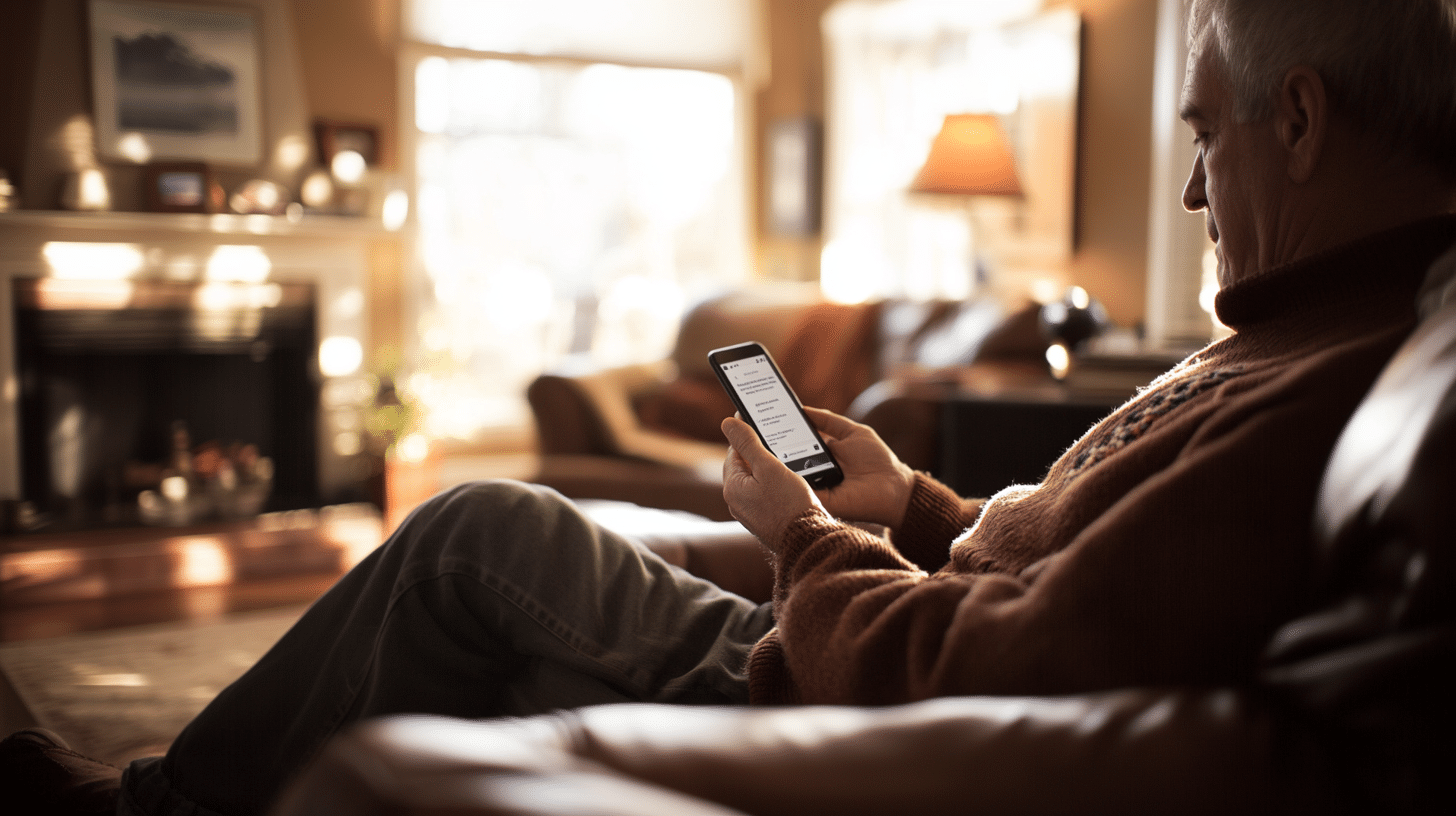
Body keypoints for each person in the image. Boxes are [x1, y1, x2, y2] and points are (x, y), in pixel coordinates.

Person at [6, 0, 1456, 813]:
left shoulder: (1320, 387)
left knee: (476, 532)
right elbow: (1071, 575)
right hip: (850, 625)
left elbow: (1015, 664)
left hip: (831, 688)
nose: (1195, 187)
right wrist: (915, 508)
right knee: (489, 572)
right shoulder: (1284, 339)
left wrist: (807, 541)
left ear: (1306, 121)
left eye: (1204, 136)